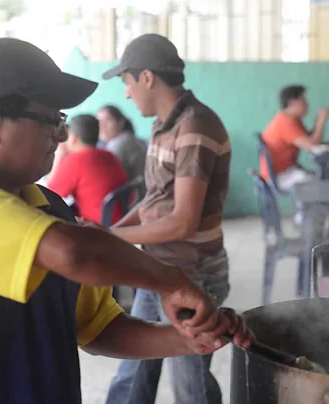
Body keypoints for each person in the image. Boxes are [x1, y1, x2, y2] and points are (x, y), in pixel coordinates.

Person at [0, 37, 254, 404]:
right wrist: (170, 281)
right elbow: (72, 253)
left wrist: (187, 340)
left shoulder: (49, 207)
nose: (61, 135)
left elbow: (99, 329)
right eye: (50, 119)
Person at [101, 33, 233, 404]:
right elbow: (154, 200)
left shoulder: (195, 126)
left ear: (147, 77)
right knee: (134, 371)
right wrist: (109, 232)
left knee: (190, 384)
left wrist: (113, 239)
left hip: (192, 272)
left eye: (126, 82)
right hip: (158, 264)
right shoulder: (164, 125)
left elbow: (182, 223)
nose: (126, 93)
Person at [47, 114, 129, 225]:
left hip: (96, 226)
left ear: (74, 139)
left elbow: (48, 195)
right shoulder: (109, 155)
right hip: (122, 220)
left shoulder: (75, 161)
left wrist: (59, 158)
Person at [259, 85, 329, 190]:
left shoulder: (291, 119)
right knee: (321, 183)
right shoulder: (285, 122)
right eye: (303, 100)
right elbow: (312, 145)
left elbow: (310, 138)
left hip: (287, 171)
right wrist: (321, 120)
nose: (307, 104)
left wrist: (318, 122)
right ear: (292, 103)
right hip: (280, 176)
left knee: (323, 178)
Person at [97, 104, 147, 181]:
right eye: (99, 122)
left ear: (121, 122)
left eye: (108, 120)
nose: (102, 126)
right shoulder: (129, 138)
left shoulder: (121, 143)